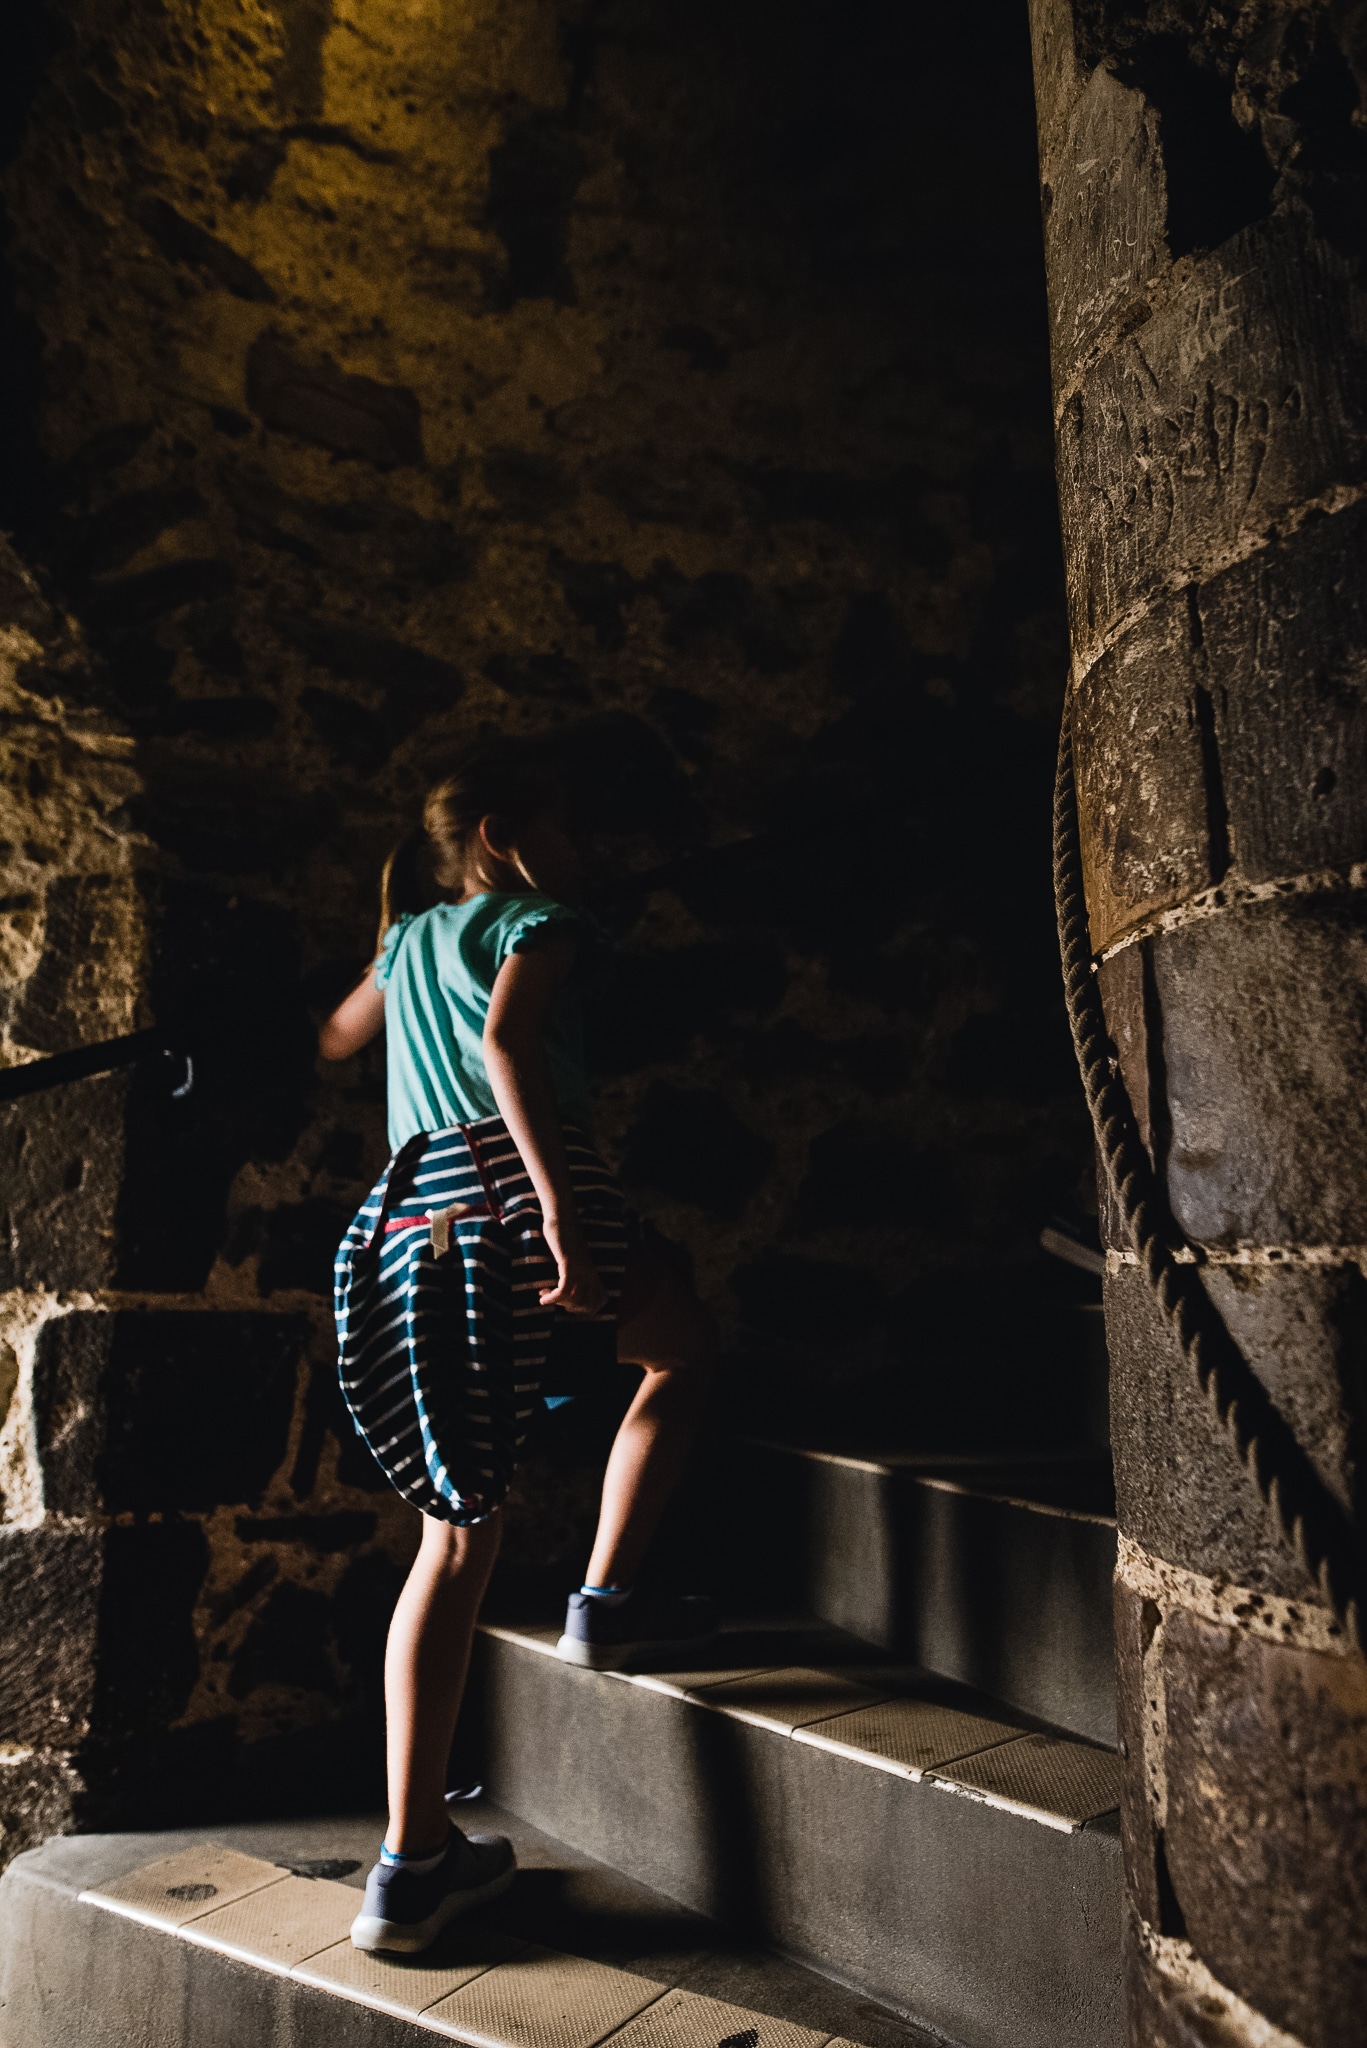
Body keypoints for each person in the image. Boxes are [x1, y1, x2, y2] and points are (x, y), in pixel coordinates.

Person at [319, 738, 717, 1955]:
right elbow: (504, 1048)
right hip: (511, 1180)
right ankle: (601, 1600)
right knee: (682, 1350)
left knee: (452, 1531)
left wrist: (394, 936)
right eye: (569, 826)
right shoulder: (539, 918)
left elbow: (342, 1037)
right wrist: (555, 1208)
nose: (587, 851)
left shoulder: (403, 941)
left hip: (401, 1210)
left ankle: (410, 1861)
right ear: (502, 836)